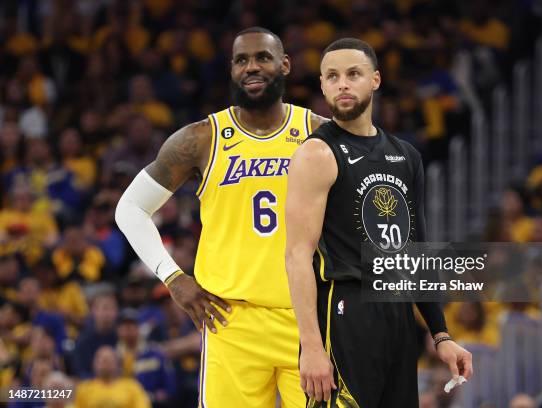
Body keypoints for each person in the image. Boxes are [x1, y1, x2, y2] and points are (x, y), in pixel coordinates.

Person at [115, 27, 328, 407]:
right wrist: (174, 278)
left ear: (285, 64)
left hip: (308, 321)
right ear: (231, 70)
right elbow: (129, 209)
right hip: (231, 321)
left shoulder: (319, 134)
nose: (252, 67)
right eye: (242, 60)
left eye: (263, 57)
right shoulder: (201, 139)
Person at [285, 38, 473, 406]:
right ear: (322, 85)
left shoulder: (406, 156)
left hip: (398, 314)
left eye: (353, 74)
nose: (342, 84)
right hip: (345, 310)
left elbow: (415, 253)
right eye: (332, 76)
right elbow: (296, 256)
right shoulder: (315, 154)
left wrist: (441, 334)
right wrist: (310, 347)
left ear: (375, 79)